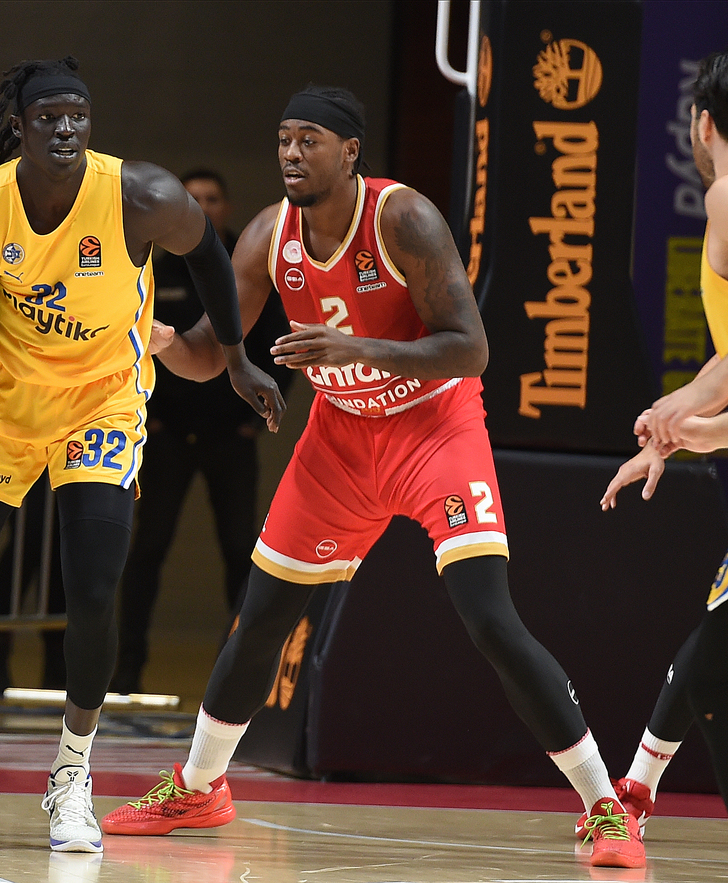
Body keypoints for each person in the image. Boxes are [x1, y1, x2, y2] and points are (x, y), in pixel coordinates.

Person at [100, 85, 645, 870]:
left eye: (309, 140)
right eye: (284, 138)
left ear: (350, 152)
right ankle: (201, 783)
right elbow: (201, 349)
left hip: (435, 428)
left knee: (489, 619)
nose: (291, 152)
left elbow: (472, 347)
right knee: (259, 618)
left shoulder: (403, 219)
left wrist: (362, 352)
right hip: (340, 440)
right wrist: (147, 333)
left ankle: (605, 806)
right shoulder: (266, 236)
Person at [0, 57, 284, 854]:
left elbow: (210, 254)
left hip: (104, 403)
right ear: (18, 128)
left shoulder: (141, 195)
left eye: (79, 116)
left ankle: (73, 772)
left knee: (93, 587)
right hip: (4, 408)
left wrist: (235, 356)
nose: (67, 129)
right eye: (50, 119)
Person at [586, 45, 728, 883]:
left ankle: (633, 791)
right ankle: (639, 790)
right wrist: (708, 430)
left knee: (725, 666)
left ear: (702, 124)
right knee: (727, 669)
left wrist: (696, 393)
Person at [110, 169, 292, 695]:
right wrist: (154, 414)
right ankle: (127, 670)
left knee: (241, 551)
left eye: (213, 198)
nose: (203, 206)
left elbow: (281, 340)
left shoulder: (248, 264)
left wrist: (251, 420)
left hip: (230, 436)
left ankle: (238, 674)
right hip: (167, 435)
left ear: (227, 207)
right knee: (146, 551)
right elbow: (134, 338)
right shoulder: (151, 263)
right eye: (193, 199)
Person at [0, 472, 67, 697]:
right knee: (28, 538)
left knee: (60, 548)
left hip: (69, 451)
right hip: (27, 452)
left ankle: (57, 655)